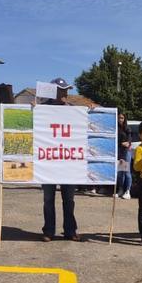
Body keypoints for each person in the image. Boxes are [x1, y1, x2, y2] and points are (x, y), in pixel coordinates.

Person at [40, 78, 81, 242]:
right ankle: (49, 231)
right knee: (48, 199)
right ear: (52, 91)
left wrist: (91, 112)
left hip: (68, 163)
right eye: (61, 90)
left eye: (66, 90)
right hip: (48, 163)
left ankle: (70, 230)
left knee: (69, 200)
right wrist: (33, 110)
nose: (64, 93)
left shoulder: (73, 110)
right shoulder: (42, 109)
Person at [116, 113, 132, 199]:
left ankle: (128, 191)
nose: (120, 119)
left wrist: (128, 143)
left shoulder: (127, 128)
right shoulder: (116, 128)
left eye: (122, 118)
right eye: (119, 118)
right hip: (119, 151)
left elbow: (130, 139)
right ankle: (120, 190)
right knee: (120, 172)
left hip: (126, 152)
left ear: (125, 119)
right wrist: (122, 143)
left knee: (127, 172)